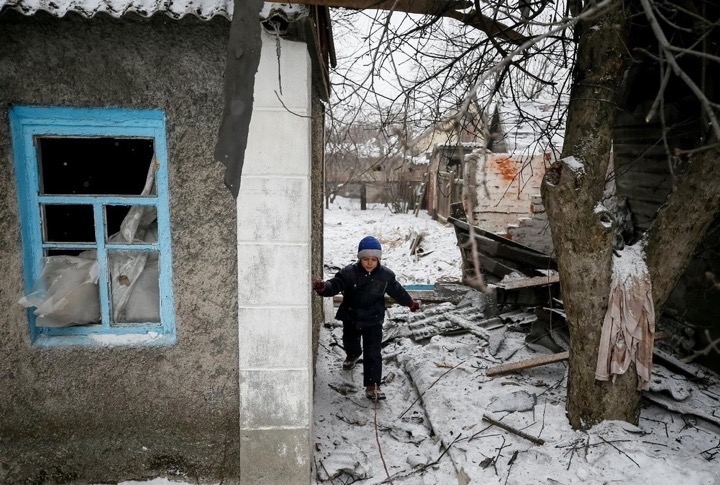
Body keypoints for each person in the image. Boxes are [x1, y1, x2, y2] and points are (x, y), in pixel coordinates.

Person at [312, 235, 420, 401]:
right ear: (359, 258)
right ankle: (353, 354)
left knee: (373, 353)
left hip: (373, 320)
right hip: (351, 317)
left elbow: (398, 292)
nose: (369, 263)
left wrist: (410, 303)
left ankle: (372, 386)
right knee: (350, 343)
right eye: (365, 259)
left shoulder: (385, 276)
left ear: (378, 259)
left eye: (373, 259)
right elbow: (335, 285)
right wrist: (323, 287)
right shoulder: (348, 273)